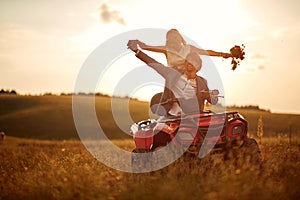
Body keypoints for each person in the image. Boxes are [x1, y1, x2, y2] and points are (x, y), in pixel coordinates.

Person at [127, 40, 218, 116]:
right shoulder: (172, 74)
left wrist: (212, 95)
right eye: (187, 60)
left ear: (198, 66)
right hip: (173, 117)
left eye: (193, 61)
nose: (190, 62)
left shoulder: (202, 82)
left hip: (193, 117)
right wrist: (137, 51)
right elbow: (154, 64)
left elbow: (213, 101)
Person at [132, 28, 232, 73]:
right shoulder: (166, 49)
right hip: (173, 77)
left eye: (176, 37)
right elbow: (147, 47)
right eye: (170, 38)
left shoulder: (188, 48)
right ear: (168, 40)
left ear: (180, 39)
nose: (173, 40)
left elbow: (206, 52)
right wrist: (138, 42)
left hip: (188, 75)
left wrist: (222, 54)